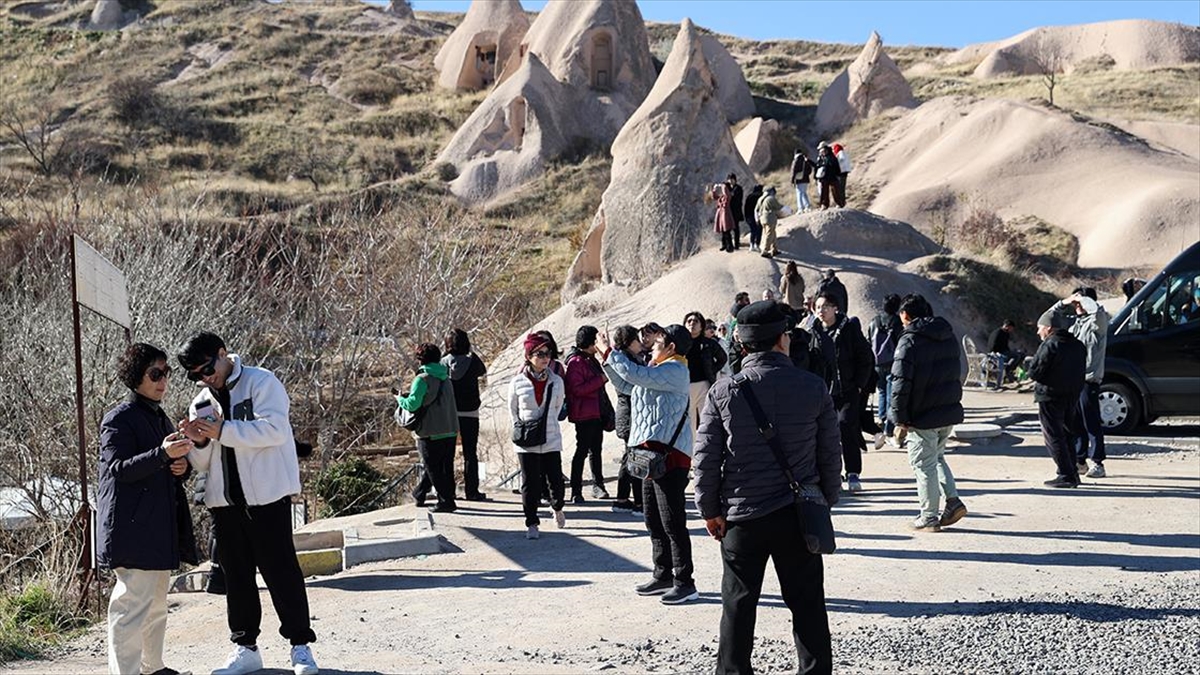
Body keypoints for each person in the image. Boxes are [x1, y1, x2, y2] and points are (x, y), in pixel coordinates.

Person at [693, 300, 841, 675]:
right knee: (807, 603)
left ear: (742, 345)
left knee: (738, 604)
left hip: (742, 516)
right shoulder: (813, 387)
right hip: (798, 512)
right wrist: (826, 500)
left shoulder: (723, 391)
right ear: (781, 340)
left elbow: (707, 457)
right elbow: (829, 453)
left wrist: (709, 510)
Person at [177, 332, 318, 675]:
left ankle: (301, 647)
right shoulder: (200, 401)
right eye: (195, 375)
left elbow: (274, 432)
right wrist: (196, 443)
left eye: (207, 369)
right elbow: (203, 463)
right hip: (224, 503)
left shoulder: (262, 382)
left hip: (267, 498)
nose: (204, 378)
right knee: (236, 578)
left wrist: (222, 430)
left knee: (281, 573)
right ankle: (245, 647)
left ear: (223, 354)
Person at [99, 343, 196, 675]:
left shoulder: (159, 417)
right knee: (130, 610)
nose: (163, 380)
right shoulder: (118, 419)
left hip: (157, 529)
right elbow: (118, 469)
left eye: (166, 373)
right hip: (132, 530)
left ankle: (152, 668)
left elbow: (167, 466)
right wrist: (163, 455)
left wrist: (183, 467)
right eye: (155, 374)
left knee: (156, 607)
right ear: (135, 376)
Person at [598, 324, 699, 605]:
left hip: (670, 457)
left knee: (672, 521)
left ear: (671, 348)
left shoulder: (675, 370)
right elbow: (628, 386)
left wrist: (610, 351)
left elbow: (635, 375)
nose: (652, 343)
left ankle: (684, 581)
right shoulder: (656, 369)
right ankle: (662, 573)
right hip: (649, 457)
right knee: (652, 519)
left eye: (659, 341)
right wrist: (605, 360)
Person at [888, 294, 968, 531]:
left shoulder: (909, 340)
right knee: (937, 458)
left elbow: (900, 383)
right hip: (947, 411)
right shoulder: (947, 335)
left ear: (906, 315)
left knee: (923, 465)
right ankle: (952, 501)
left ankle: (929, 516)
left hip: (922, 415)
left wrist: (899, 418)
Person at [805, 292, 873, 493]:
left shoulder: (849, 328)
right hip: (823, 392)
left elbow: (865, 357)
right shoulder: (813, 332)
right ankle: (831, 475)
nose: (821, 311)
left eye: (825, 306)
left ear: (835, 308)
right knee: (824, 433)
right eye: (817, 307)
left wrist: (860, 384)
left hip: (848, 390)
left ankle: (853, 473)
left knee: (846, 427)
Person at [509, 332, 568, 539]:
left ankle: (557, 506)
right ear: (528, 356)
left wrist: (547, 423)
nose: (545, 357)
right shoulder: (517, 382)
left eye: (547, 353)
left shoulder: (557, 381)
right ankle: (532, 522)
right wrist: (521, 427)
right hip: (526, 440)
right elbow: (513, 409)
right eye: (539, 353)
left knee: (555, 480)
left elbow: (558, 406)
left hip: (551, 437)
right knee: (530, 482)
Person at [1028, 307, 1087, 488]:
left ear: (1049, 327)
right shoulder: (1078, 345)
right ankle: (1073, 473)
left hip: (1050, 396)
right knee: (1068, 434)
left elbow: (1035, 372)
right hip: (1072, 396)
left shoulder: (1050, 344)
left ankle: (1065, 474)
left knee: (1053, 436)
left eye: (1040, 327)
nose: (1038, 331)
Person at [1053, 289, 1109, 478]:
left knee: (1092, 422)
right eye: (1075, 303)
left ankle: (1098, 462)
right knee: (1075, 424)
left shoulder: (1098, 321)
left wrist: (1083, 299)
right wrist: (1065, 301)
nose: (1076, 306)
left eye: (1080, 302)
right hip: (1073, 381)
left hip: (1089, 380)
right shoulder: (1076, 325)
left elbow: (1097, 311)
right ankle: (1080, 460)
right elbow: (1052, 319)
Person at [399, 343, 460, 514]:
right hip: (450, 429)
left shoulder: (422, 379)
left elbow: (412, 405)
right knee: (442, 466)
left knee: (432, 467)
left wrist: (399, 400)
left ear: (420, 359)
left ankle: (446, 501)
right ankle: (420, 493)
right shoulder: (446, 378)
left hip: (430, 431)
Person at [565, 325, 611, 502]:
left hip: (596, 411)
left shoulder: (590, 359)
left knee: (596, 451)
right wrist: (599, 380)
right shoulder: (576, 362)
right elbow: (576, 389)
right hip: (584, 414)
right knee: (582, 451)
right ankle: (576, 490)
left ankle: (598, 485)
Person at [442, 328, 489, 501]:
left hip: (450, 413)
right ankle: (472, 491)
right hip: (471, 412)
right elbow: (482, 371)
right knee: (471, 453)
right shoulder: (473, 361)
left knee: (448, 454)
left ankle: (449, 491)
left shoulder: (443, 362)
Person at [609, 326, 646, 514]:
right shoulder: (626, 361)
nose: (640, 343)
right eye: (637, 339)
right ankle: (639, 503)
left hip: (627, 414)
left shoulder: (629, 358)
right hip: (630, 415)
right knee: (636, 457)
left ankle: (622, 500)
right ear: (630, 342)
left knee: (629, 457)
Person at [867, 294, 903, 443]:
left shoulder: (874, 321)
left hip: (876, 362)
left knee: (881, 391)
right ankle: (889, 426)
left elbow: (869, 339)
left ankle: (881, 419)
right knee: (891, 394)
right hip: (892, 362)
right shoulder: (897, 322)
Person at [684, 311, 728, 429]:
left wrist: (712, 370)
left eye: (695, 321)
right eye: (689, 321)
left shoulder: (708, 343)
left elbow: (723, 358)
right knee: (688, 424)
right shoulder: (679, 344)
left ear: (701, 326)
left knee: (707, 420)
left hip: (704, 385)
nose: (692, 323)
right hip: (684, 386)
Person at [986, 320, 1025, 387]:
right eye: (1011, 328)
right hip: (996, 353)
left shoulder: (1006, 334)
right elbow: (992, 346)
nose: (1011, 330)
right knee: (1016, 356)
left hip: (1004, 352)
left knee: (1020, 354)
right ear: (1007, 326)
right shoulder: (997, 333)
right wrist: (998, 352)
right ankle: (1008, 371)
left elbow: (1006, 346)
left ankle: (1011, 372)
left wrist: (1010, 351)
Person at [753, 186, 785, 259]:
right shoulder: (770, 198)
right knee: (769, 234)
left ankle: (774, 249)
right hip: (770, 219)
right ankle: (765, 251)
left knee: (772, 233)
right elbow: (779, 207)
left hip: (762, 219)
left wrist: (757, 219)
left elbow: (756, 209)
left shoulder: (760, 199)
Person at [814, 142, 844, 209]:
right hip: (824, 177)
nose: (822, 152)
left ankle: (839, 204)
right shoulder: (820, 157)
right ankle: (824, 205)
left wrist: (838, 174)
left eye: (823, 150)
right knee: (824, 192)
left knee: (835, 191)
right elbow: (817, 166)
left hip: (832, 176)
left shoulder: (831, 156)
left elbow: (836, 166)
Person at [712, 182, 736, 253]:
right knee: (723, 231)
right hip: (721, 215)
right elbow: (714, 197)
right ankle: (724, 245)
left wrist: (723, 186)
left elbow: (727, 195)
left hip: (726, 215)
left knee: (727, 231)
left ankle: (729, 246)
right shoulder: (721, 197)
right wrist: (714, 190)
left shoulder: (727, 197)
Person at [790, 148, 813, 213]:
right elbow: (810, 170)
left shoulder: (796, 160)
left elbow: (793, 171)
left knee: (799, 193)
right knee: (804, 193)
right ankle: (807, 207)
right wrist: (805, 175)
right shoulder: (805, 160)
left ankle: (800, 208)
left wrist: (792, 180)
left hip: (799, 180)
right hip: (805, 179)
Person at [726, 173, 745, 250]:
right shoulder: (728, 188)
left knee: (736, 228)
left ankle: (737, 244)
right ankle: (729, 244)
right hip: (729, 211)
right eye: (729, 179)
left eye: (732, 179)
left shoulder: (738, 188)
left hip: (736, 211)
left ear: (735, 180)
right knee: (728, 229)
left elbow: (737, 198)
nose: (731, 181)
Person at [744, 185, 764, 253]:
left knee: (753, 230)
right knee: (759, 230)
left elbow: (745, 207)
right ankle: (757, 244)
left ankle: (751, 245)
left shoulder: (749, 196)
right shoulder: (761, 196)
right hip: (758, 216)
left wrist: (746, 217)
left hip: (749, 216)